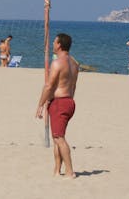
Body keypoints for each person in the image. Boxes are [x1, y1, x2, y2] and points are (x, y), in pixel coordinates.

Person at [35, 33, 79, 179]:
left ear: (59, 44)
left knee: (59, 138)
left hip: (60, 103)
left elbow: (48, 86)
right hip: (69, 102)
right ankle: (56, 170)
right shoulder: (74, 63)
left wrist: (40, 104)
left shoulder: (58, 63)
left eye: (54, 42)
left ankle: (70, 171)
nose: (52, 44)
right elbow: (73, 86)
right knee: (57, 138)